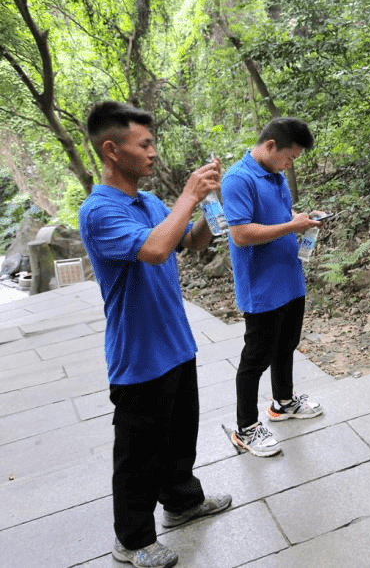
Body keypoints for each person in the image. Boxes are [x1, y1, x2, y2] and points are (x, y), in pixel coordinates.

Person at [79, 101, 232, 568]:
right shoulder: (100, 210)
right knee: (138, 454)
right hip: (138, 355)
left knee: (179, 435)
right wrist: (188, 192)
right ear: (112, 149)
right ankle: (132, 540)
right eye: (143, 144)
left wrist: (209, 205)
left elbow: (189, 241)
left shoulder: (148, 201)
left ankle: (183, 502)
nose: (153, 153)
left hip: (175, 342)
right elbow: (155, 248)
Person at [222, 117, 326, 458]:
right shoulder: (238, 179)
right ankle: (246, 428)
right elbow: (240, 234)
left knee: (286, 345)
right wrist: (289, 225)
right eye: (290, 156)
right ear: (270, 146)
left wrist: (301, 220)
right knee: (255, 358)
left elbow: (281, 216)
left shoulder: (276, 176)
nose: (290, 163)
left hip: (290, 278)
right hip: (261, 286)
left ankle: (283, 402)